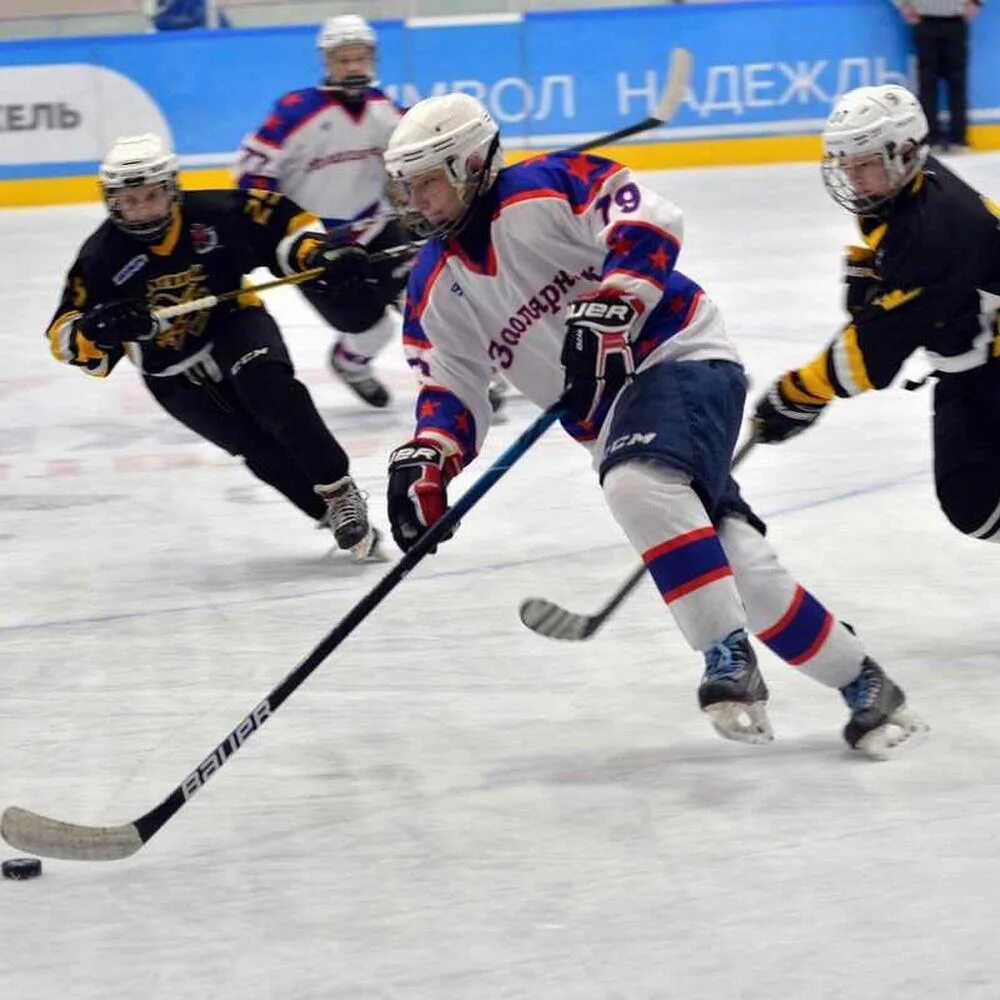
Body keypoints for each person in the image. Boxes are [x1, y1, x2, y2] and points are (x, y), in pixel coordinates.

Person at [327, 92, 928, 757]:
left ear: (471, 164)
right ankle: (867, 688)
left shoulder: (547, 186)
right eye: (405, 185)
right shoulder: (433, 288)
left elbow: (651, 221)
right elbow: (451, 390)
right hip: (613, 419)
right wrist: (429, 460)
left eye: (427, 182)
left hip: (681, 354)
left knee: (637, 485)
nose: (415, 200)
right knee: (745, 573)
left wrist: (616, 302)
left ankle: (725, 655)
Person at [46, 133, 381, 560]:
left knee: (272, 391)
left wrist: (316, 254)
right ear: (111, 203)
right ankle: (329, 513)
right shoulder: (101, 257)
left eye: (151, 196)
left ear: (172, 190)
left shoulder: (214, 214)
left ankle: (339, 492)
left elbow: (282, 223)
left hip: (232, 322)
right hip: (169, 369)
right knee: (254, 446)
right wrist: (98, 328)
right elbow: (64, 334)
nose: (143, 210)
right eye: (130, 201)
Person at [753, 83, 1000, 543]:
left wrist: (801, 392)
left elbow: (874, 350)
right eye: (846, 165)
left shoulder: (937, 228)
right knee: (973, 499)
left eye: (864, 164)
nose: (853, 176)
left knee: (977, 501)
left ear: (905, 151)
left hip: (987, 364)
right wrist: (882, 275)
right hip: (971, 359)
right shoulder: (902, 192)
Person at [234, 13, 408, 409]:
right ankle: (351, 364)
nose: (352, 67)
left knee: (426, 302)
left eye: (359, 58)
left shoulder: (385, 110)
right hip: (316, 246)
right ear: (327, 61)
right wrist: (270, 227)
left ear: (372, 59)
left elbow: (414, 156)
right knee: (372, 332)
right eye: (343, 59)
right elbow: (251, 172)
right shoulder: (298, 111)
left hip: (376, 227)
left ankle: (463, 377)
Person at [894, 0, 982, 152]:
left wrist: (977, 2)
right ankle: (930, 137)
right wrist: (902, 4)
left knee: (957, 81)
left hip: (956, 18)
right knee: (927, 81)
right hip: (924, 19)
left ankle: (959, 138)